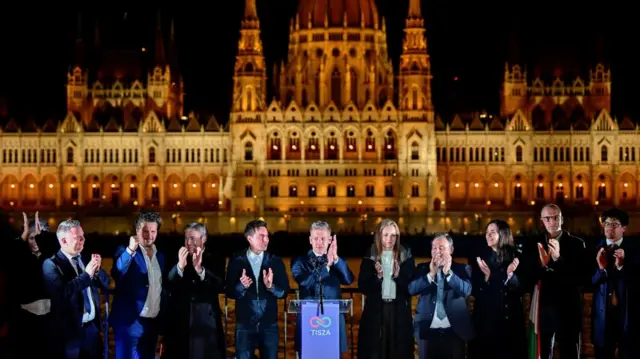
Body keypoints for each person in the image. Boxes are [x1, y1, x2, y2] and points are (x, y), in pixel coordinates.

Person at [41, 220, 110, 359]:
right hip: (69, 334)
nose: (83, 240)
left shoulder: (84, 259)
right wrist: (87, 275)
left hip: (92, 330)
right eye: (77, 237)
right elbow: (62, 293)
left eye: (83, 236)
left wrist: (96, 271)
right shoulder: (51, 264)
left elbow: (105, 283)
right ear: (64, 240)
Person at [528, 204, 589, 359]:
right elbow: (527, 277)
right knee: (543, 353)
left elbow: (582, 278)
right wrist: (543, 265)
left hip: (568, 309)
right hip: (543, 310)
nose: (552, 221)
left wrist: (557, 259)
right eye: (548, 218)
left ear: (562, 219)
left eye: (556, 217)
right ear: (542, 221)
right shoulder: (533, 244)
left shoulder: (577, 244)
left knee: (569, 352)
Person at [225, 219, 289, 359]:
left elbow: (284, 292)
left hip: (269, 326)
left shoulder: (275, 261)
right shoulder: (237, 260)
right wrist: (241, 286)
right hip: (244, 326)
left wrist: (270, 287)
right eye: (261, 236)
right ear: (249, 238)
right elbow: (229, 291)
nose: (266, 240)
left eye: (267, 236)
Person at [163, 222, 226, 359]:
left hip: (205, 322)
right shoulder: (176, 255)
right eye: (186, 238)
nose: (188, 242)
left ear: (204, 239)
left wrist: (200, 270)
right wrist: (179, 266)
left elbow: (219, 283)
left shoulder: (215, 256)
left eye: (193, 239)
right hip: (179, 322)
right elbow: (168, 282)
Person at [291, 221, 355, 356]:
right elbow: (306, 281)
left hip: (333, 322)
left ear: (330, 240)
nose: (319, 242)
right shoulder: (299, 262)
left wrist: (336, 259)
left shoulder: (337, 262)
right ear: (310, 240)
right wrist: (326, 267)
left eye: (323, 239)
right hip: (309, 322)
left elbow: (348, 280)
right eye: (315, 238)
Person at [110, 211, 166, 359]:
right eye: (145, 231)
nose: (149, 235)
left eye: (153, 231)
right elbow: (117, 272)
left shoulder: (160, 256)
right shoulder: (124, 251)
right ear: (137, 231)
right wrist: (130, 250)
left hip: (152, 324)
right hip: (129, 324)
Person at [408, 233, 474, 359]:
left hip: (455, 332)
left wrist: (449, 273)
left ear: (451, 250)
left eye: (441, 248)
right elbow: (411, 289)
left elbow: (467, 291)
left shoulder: (462, 268)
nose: (437, 251)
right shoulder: (422, 268)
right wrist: (430, 275)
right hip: (427, 332)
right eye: (434, 248)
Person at [357, 219, 415, 359]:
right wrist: (378, 277)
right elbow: (363, 286)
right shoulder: (370, 254)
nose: (389, 239)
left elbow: (411, 287)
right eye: (386, 235)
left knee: (399, 351)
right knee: (375, 350)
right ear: (379, 235)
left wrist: (397, 276)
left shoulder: (405, 254)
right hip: (376, 312)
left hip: (398, 312)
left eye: (393, 235)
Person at [470, 219, 527, 359]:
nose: (487, 235)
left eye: (492, 232)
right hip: (486, 321)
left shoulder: (517, 256)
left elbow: (522, 289)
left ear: (503, 234)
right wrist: (487, 278)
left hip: (510, 321)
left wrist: (510, 276)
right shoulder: (479, 257)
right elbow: (474, 291)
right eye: (487, 232)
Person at [591, 208, 638, 359]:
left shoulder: (635, 250)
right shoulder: (594, 249)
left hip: (628, 316)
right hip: (602, 316)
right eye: (607, 223)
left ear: (624, 228)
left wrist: (621, 266)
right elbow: (588, 282)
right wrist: (601, 269)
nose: (610, 227)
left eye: (615, 224)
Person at [8, 212, 52, 359]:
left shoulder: (51, 260)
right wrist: (23, 236)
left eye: (39, 238)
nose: (35, 242)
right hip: (26, 324)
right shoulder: (20, 260)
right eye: (31, 238)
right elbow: (9, 255)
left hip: (49, 324)